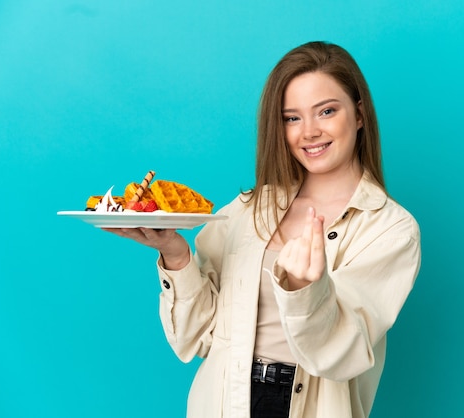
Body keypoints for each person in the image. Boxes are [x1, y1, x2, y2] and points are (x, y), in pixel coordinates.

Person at [106, 41, 421, 418]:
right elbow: (196, 339)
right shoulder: (248, 209)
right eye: (292, 117)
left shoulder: (391, 230)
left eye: (326, 111)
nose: (309, 131)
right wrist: (175, 253)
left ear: (358, 115)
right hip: (224, 401)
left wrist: (306, 289)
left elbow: (343, 352)